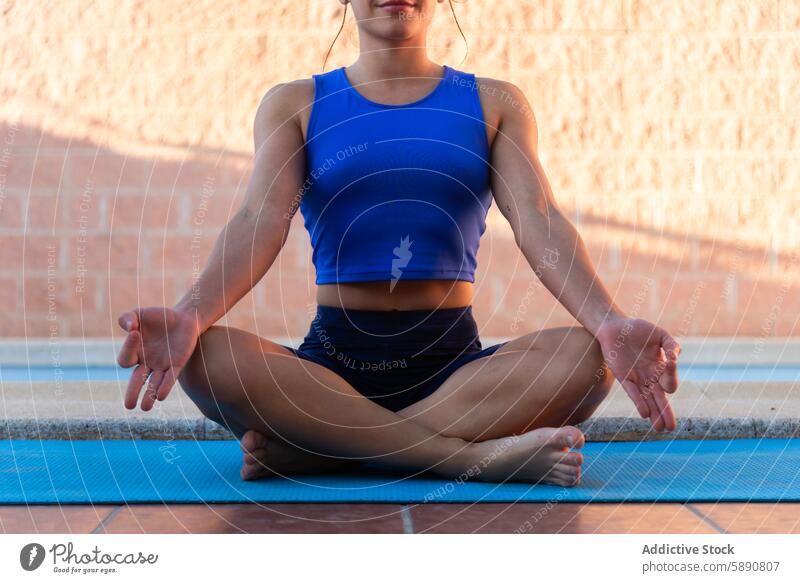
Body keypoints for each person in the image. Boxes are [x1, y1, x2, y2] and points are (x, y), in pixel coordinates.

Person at [116, 0, 681, 487]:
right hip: (330, 369)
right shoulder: (293, 104)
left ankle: (324, 447)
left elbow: (537, 218)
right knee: (208, 358)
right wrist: (192, 314)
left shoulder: (495, 101)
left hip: (456, 372)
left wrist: (608, 320)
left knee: (588, 359)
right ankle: (469, 459)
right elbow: (257, 221)